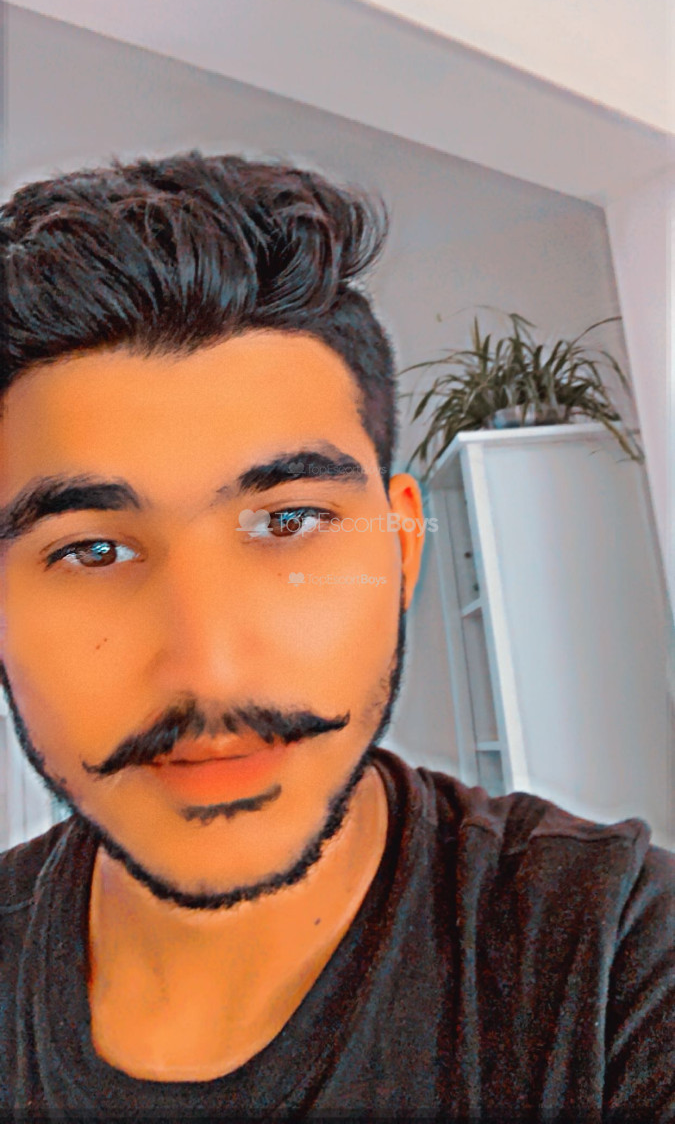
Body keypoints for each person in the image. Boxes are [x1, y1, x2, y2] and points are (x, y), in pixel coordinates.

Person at [0, 151, 672, 1123]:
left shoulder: (617, 963)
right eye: (93, 550)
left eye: (289, 522)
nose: (211, 670)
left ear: (402, 550)